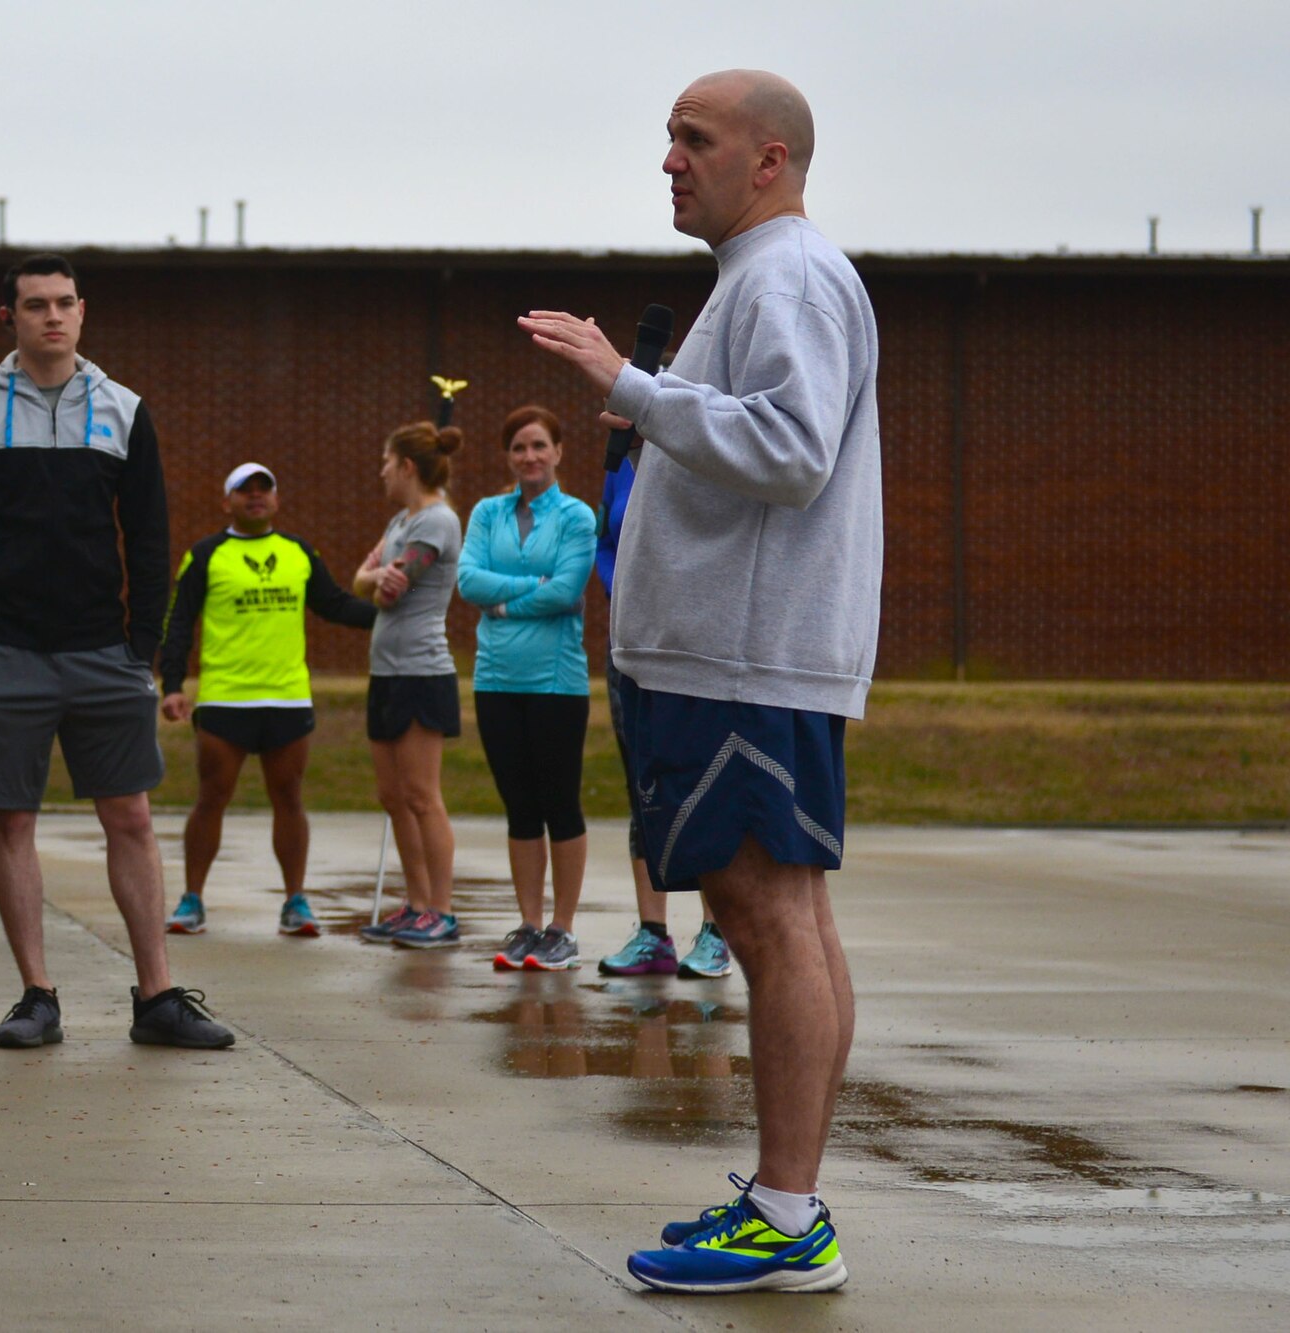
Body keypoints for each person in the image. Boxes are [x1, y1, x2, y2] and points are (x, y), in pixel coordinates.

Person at [523, 69, 880, 1294]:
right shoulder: (762, 278)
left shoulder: (786, 275)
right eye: (667, 139)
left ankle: (787, 1216)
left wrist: (624, 385)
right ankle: (787, 1203)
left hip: (744, 658)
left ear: (768, 159)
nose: (668, 161)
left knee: (767, 917)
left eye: (694, 139)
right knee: (780, 913)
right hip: (739, 655)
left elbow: (789, 448)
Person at [0, 253, 232, 1051]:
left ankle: (158, 997)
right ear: (10, 317)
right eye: (34, 305)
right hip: (5, 655)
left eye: (64, 303)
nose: (51, 317)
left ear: (83, 311)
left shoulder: (124, 410)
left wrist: (142, 649)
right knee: (12, 820)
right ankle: (37, 995)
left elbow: (152, 538)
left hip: (105, 653)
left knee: (128, 816)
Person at [159, 463, 376, 937]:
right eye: (244, 490)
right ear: (227, 502)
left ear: (276, 500)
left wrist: (391, 615)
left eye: (264, 489)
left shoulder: (298, 552)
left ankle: (296, 902)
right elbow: (179, 623)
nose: (255, 497)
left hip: (287, 700)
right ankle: (192, 899)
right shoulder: (206, 555)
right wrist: (172, 684)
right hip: (225, 701)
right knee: (211, 798)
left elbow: (335, 604)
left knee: (289, 798)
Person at [456, 406, 597, 972]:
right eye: (519, 447)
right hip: (495, 679)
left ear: (559, 451)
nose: (530, 457)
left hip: (556, 684)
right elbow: (467, 580)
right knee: (518, 806)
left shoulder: (576, 517)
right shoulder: (487, 513)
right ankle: (529, 924)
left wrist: (506, 601)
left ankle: (562, 928)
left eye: (540, 445)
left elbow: (566, 590)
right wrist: (532, 585)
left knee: (558, 802)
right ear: (507, 456)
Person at [592, 425, 731, 982]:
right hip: (630, 645)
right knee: (642, 786)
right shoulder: (619, 469)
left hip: (690, 648)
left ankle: (716, 934)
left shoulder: (706, 466)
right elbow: (607, 545)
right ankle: (654, 936)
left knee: (702, 789)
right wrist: (620, 591)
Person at [352, 422, 464, 950]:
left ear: (408, 467)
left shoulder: (437, 521)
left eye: (386, 462)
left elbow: (391, 590)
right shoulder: (402, 519)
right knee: (392, 796)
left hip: (422, 672)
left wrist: (375, 581)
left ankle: (441, 910)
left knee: (422, 796)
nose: (381, 472)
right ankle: (416, 904)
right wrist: (373, 579)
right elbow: (362, 581)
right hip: (387, 673)